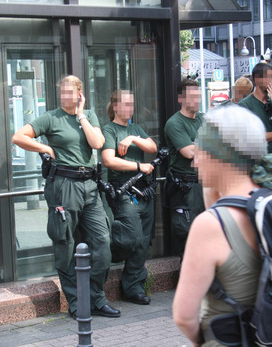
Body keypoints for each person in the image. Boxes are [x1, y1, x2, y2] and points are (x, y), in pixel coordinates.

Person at [12, 75, 120, 319]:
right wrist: (45, 148)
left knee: (102, 242)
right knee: (65, 243)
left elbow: (98, 142)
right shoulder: (50, 117)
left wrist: (81, 115)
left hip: (90, 185)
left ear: (80, 94)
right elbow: (19, 137)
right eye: (63, 92)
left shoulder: (89, 115)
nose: (66, 96)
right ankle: (75, 302)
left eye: (71, 92)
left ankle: (97, 299)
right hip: (63, 185)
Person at [172, 105, 267, 346]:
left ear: (218, 156)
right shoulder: (266, 203)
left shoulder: (210, 226)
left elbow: (184, 316)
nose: (195, 163)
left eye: (200, 151)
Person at [101, 89, 157, 305]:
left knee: (142, 241)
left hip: (144, 190)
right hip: (123, 190)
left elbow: (152, 147)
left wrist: (133, 137)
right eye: (125, 104)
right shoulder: (109, 129)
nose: (130, 108)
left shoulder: (134, 128)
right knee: (131, 237)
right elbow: (109, 160)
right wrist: (138, 165)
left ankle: (134, 288)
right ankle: (103, 255)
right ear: (115, 106)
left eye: (132, 104)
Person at [164, 79, 205, 261]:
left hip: (205, 184)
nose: (196, 100)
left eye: (198, 96)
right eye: (192, 96)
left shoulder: (204, 119)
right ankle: (189, 283)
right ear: (181, 98)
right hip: (184, 187)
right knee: (187, 234)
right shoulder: (175, 123)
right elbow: (188, 152)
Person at [239, 62, 272, 153]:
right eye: (269, 77)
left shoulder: (270, 102)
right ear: (257, 79)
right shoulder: (245, 105)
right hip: (258, 162)